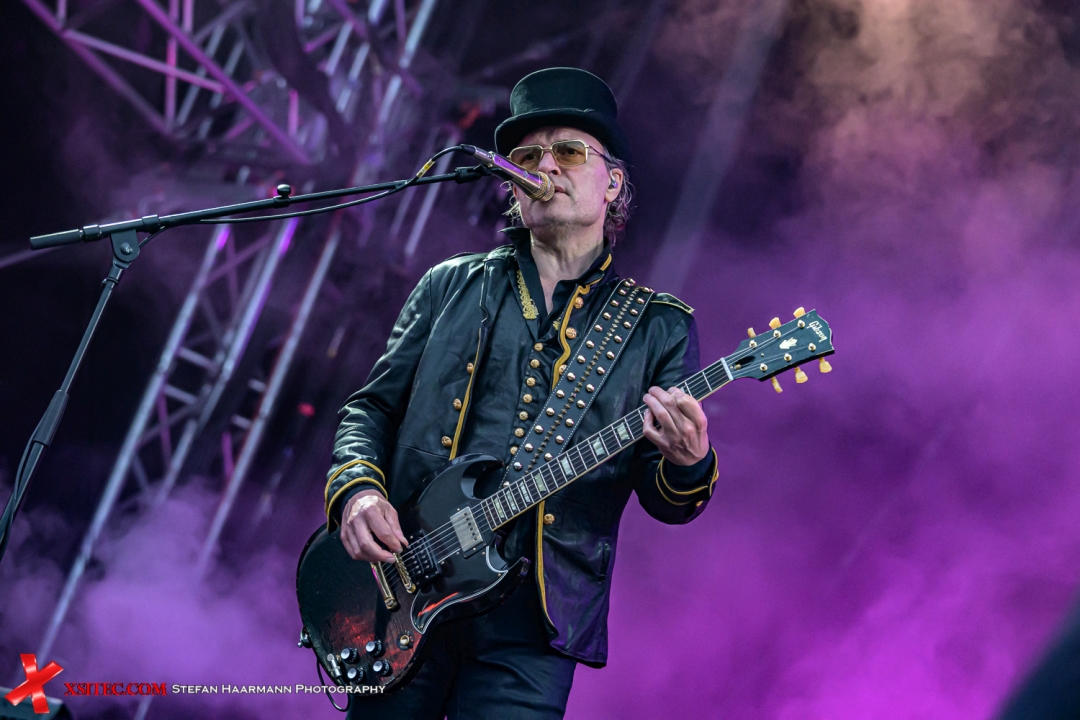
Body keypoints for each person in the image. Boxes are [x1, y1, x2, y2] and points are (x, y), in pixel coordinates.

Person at [324, 67, 719, 719]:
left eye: (569, 151)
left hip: (534, 628)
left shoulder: (658, 326)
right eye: (527, 157)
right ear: (510, 183)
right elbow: (371, 409)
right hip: (403, 592)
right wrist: (358, 492)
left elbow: (668, 500)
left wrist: (689, 461)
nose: (546, 167)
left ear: (612, 182)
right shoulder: (449, 285)